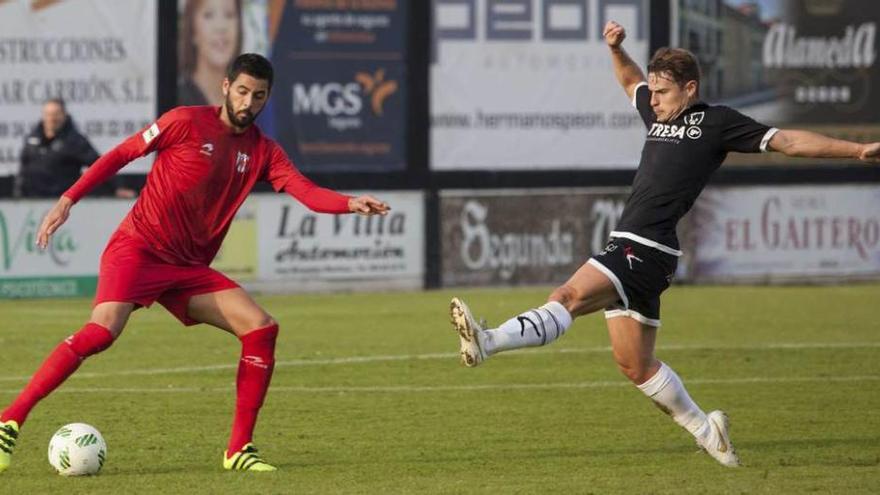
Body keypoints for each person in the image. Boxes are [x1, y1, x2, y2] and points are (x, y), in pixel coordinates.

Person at [448, 21, 880, 468]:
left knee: (568, 297)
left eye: (663, 92)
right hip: (646, 250)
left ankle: (489, 340)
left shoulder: (718, 123)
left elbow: (787, 141)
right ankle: (706, 430)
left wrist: (857, 150)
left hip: (646, 243)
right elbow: (630, 79)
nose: (652, 100)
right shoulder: (656, 111)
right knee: (635, 364)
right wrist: (616, 50)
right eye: (652, 92)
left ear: (689, 88)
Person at [0, 53, 390, 473]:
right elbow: (120, 154)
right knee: (102, 331)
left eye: (258, 96)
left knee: (261, 329)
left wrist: (349, 203)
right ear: (225, 87)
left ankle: (238, 449)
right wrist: (68, 199)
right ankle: (10, 419)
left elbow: (306, 192)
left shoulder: (264, 152)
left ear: (266, 99)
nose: (248, 102)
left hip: (187, 268)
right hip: (139, 247)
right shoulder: (183, 121)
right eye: (242, 91)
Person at [18, 98, 138, 199]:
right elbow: (23, 170)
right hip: (32, 201)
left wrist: (117, 187)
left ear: (64, 115)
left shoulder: (74, 140)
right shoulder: (32, 139)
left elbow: (99, 164)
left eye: (56, 114)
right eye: (48, 114)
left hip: (61, 202)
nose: (52, 119)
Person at [178, 0, 242, 106]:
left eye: (229, 15)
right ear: (192, 30)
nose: (221, 27)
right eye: (208, 15)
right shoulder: (176, 103)